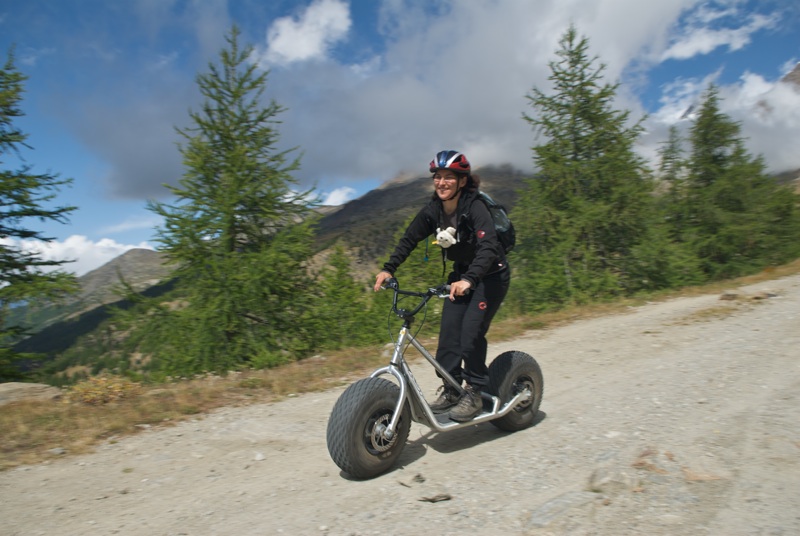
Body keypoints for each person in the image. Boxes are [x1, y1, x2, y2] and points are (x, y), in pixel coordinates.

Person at [373, 150, 511, 422]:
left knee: (470, 334)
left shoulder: (474, 207)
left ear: (462, 181)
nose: (442, 182)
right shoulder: (433, 210)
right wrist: (389, 268)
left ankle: (473, 391)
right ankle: (451, 388)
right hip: (461, 279)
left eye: (450, 177)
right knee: (448, 335)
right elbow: (409, 239)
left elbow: (489, 247)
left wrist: (469, 280)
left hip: (490, 278)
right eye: (438, 177)